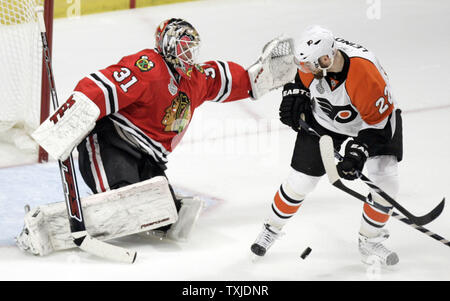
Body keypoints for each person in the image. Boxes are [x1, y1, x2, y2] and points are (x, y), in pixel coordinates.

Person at [19, 18, 296, 254]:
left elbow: (220, 79)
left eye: (192, 49)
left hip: (151, 158)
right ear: (167, 47)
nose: (189, 56)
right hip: (111, 143)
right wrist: (75, 110)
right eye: (183, 49)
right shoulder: (148, 67)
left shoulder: (195, 79)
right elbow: (103, 84)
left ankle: (142, 204)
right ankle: (41, 228)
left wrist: (258, 78)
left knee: (163, 213)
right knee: (125, 198)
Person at [250, 25, 403, 266]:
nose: (307, 70)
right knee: (300, 180)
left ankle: (370, 240)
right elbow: (298, 74)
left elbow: (378, 125)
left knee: (385, 182)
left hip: (373, 123)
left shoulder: (364, 74)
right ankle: (272, 228)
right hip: (325, 119)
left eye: (312, 65)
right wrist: (294, 93)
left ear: (326, 58)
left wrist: (358, 153)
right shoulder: (314, 60)